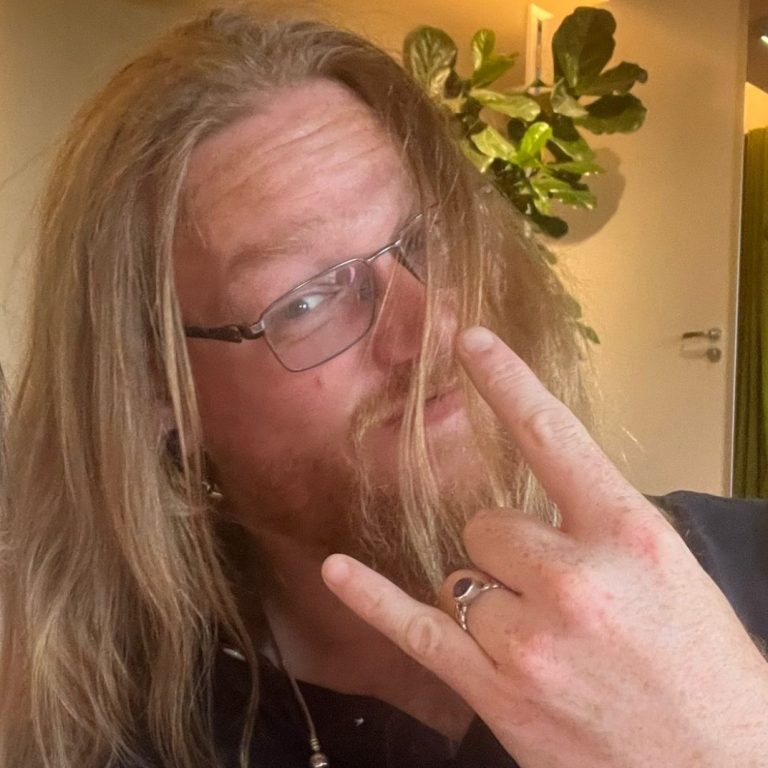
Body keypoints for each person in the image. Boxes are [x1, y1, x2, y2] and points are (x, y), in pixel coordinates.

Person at [1, 7, 767, 768]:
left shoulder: (745, 571)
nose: (432, 330)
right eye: (307, 300)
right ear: (155, 389)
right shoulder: (113, 736)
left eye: (427, 240)